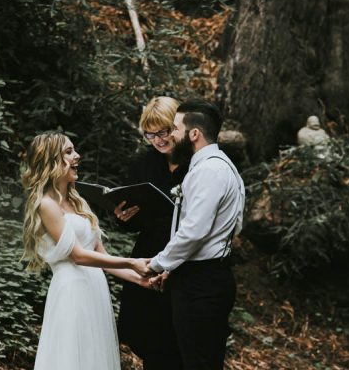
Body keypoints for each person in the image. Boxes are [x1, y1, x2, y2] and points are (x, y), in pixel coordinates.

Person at [21, 132, 153, 370]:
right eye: (68, 152)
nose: (77, 156)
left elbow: (102, 258)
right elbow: (78, 256)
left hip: (95, 288)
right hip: (72, 291)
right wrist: (132, 262)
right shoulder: (46, 204)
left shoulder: (78, 202)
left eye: (75, 150)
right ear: (51, 160)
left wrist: (140, 279)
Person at [147, 99, 245, 370]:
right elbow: (233, 225)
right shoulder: (221, 165)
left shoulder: (209, 170)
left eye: (176, 128)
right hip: (204, 276)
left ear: (194, 134)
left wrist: (158, 264)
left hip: (201, 284)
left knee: (199, 362)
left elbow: (194, 230)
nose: (172, 134)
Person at [114, 96, 186, 370]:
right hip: (150, 253)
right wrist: (123, 217)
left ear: (177, 127)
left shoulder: (195, 162)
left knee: (178, 340)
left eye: (163, 131)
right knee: (150, 337)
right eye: (150, 134)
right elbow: (135, 219)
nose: (158, 139)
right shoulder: (143, 163)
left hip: (185, 255)